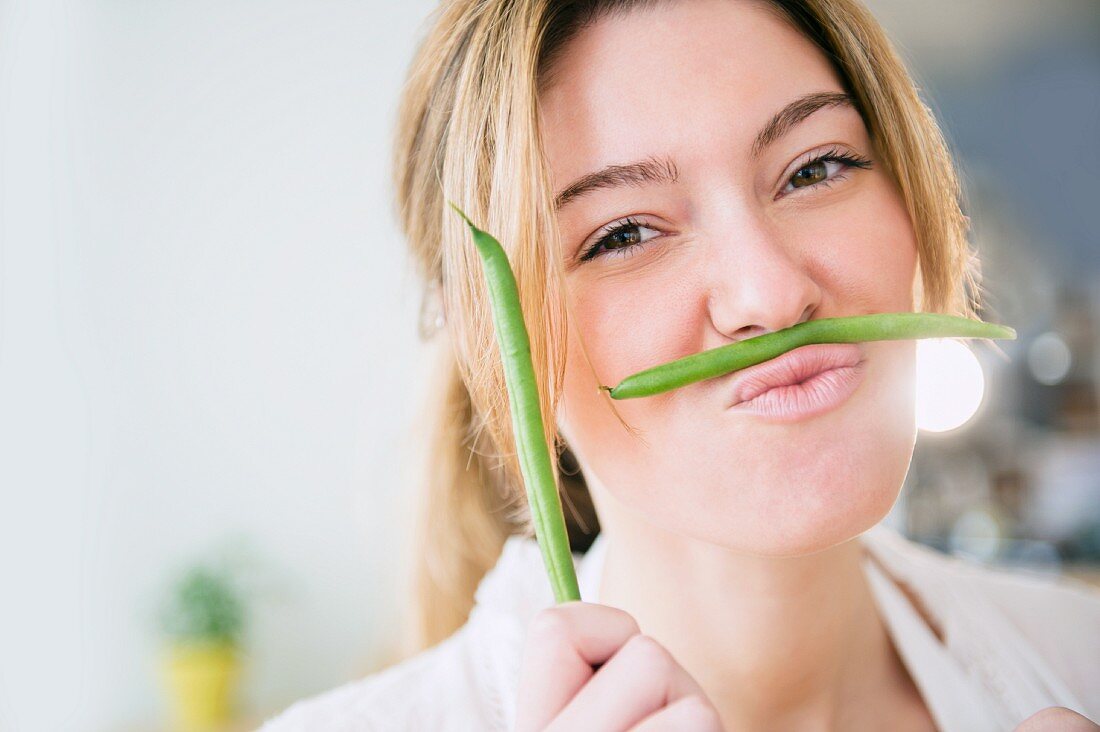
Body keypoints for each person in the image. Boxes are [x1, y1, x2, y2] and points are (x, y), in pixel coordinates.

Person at [260, 0, 1100, 729]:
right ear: (493, 344)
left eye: (815, 167)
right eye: (623, 233)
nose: (769, 294)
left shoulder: (1080, 658)